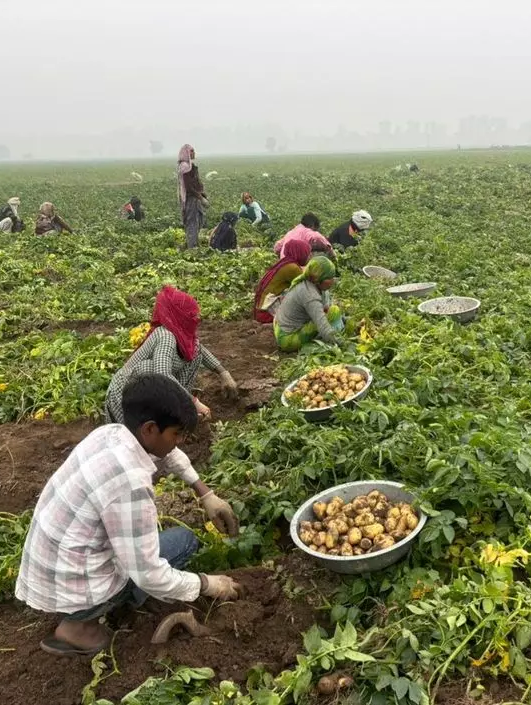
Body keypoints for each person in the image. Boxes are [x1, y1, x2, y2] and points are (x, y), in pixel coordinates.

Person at [16, 374, 242, 656]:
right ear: (150, 429)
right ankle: (77, 628)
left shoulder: (111, 433)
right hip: (74, 581)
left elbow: (168, 454)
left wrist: (205, 492)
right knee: (183, 542)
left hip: (52, 567)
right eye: (177, 434)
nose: (180, 441)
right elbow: (149, 574)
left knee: (160, 547)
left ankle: (96, 606)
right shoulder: (130, 483)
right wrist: (207, 584)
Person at [106, 286, 238, 423]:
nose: (196, 319)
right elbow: (162, 374)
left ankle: (174, 411)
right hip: (127, 397)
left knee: (195, 352)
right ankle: (165, 416)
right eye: (191, 315)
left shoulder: (182, 337)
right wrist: (194, 402)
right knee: (149, 369)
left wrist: (224, 373)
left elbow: (201, 351)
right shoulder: (165, 336)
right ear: (179, 315)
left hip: (151, 393)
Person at [273, 256, 343, 352]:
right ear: (319, 279)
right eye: (329, 278)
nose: (333, 281)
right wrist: (343, 344)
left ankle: (333, 337)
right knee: (333, 313)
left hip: (281, 326)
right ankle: (331, 342)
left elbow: (325, 308)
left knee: (332, 310)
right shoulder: (310, 295)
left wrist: (346, 320)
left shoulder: (313, 284)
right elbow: (323, 327)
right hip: (287, 338)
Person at [253, 239, 311, 324]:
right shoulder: (292, 268)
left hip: (261, 310)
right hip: (267, 313)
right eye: (308, 254)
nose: (309, 257)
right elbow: (307, 288)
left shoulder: (285, 263)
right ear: (301, 253)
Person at [178, 144, 208, 249]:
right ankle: (192, 247)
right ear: (186, 153)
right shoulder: (185, 167)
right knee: (192, 222)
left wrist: (202, 194)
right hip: (191, 199)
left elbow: (195, 183)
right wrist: (200, 197)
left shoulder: (190, 166)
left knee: (199, 220)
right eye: (191, 151)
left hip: (195, 197)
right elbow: (189, 186)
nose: (194, 153)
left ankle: (192, 243)